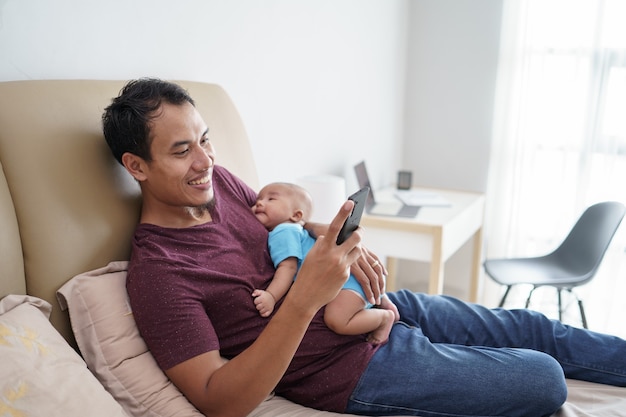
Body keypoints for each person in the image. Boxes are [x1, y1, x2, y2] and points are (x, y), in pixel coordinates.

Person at [102, 78, 626, 417]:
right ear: (137, 166)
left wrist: (336, 237)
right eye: (181, 150)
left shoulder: (224, 186)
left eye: (205, 139)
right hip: (347, 369)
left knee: (532, 327)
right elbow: (219, 400)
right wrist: (305, 297)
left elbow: (287, 223)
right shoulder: (160, 273)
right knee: (543, 377)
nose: (206, 160)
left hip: (366, 304)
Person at [251, 182, 399, 344]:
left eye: (271, 199)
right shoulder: (302, 232)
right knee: (363, 297)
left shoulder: (283, 231)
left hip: (348, 284)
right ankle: (384, 302)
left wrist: (271, 296)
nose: (259, 203)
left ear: (296, 215)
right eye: (258, 199)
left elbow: (288, 267)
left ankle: (384, 318)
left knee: (337, 320)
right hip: (361, 276)